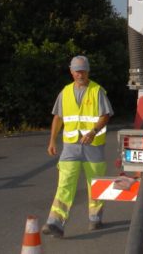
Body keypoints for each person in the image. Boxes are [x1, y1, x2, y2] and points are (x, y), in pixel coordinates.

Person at [42, 55, 113, 238]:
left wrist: (93, 131)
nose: (80, 74)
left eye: (83, 71)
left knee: (95, 183)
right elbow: (58, 117)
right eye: (77, 71)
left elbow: (105, 115)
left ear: (88, 71)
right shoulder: (64, 92)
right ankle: (55, 222)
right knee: (65, 183)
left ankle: (95, 217)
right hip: (70, 146)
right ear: (71, 71)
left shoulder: (97, 91)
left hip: (93, 145)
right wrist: (52, 140)